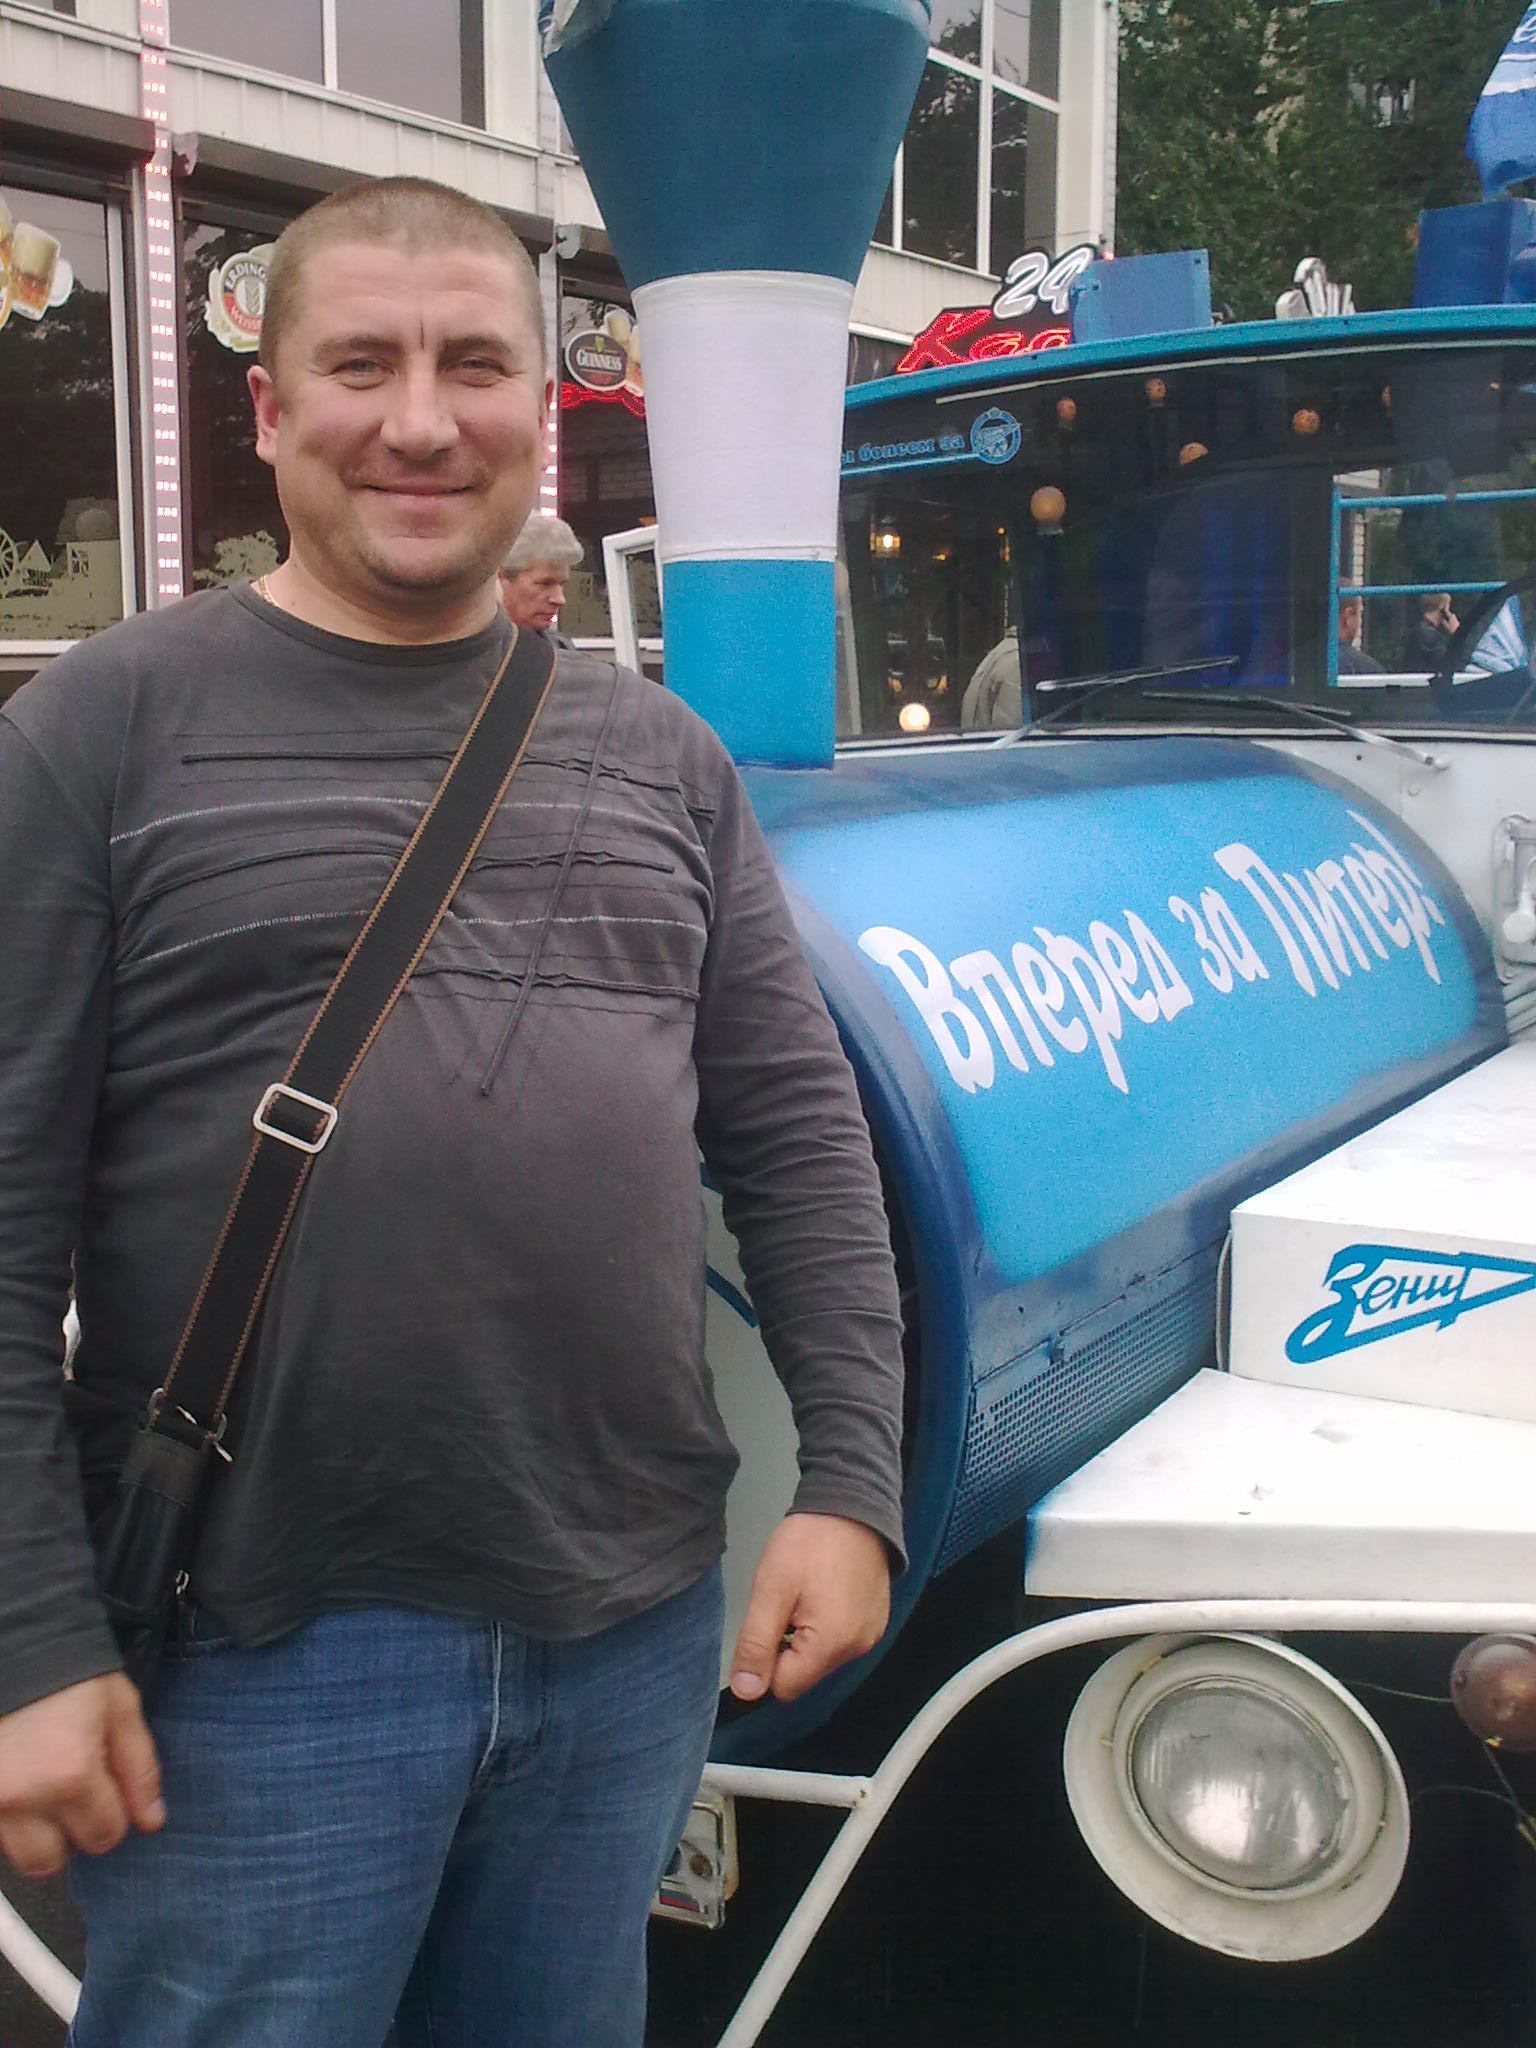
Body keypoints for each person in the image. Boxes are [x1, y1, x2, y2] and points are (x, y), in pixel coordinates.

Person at [0, 177, 904, 2048]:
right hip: (253, 1655)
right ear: (269, 411)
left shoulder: (665, 758)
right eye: (362, 365)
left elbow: (797, 1137)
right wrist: (26, 1634)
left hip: (629, 1632)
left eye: (473, 363)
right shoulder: (100, 731)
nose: (419, 419)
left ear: (539, 410)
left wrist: (854, 1485)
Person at [498, 510, 584, 641]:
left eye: (561, 584)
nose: (559, 599)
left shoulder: (560, 648)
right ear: (500, 578)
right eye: (545, 584)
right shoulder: (467, 651)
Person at [1402, 589, 1459, 671]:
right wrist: (1457, 634)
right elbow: (1450, 663)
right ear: (1442, 608)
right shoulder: (1428, 635)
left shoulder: (1422, 629)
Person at [1335, 593, 1383, 676]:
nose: (1360, 621)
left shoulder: (1312, 659)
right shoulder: (1366, 668)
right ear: (1348, 615)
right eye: (1360, 613)